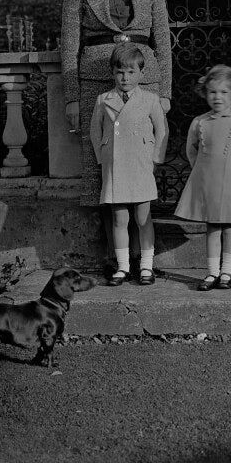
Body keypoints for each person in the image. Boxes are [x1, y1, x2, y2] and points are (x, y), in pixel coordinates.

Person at [61, 0, 172, 274]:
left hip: (144, 79)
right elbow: (69, 45)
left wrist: (165, 91)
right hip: (96, 79)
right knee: (103, 172)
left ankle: (146, 260)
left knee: (142, 166)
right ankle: (116, 259)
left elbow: (163, 40)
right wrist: (73, 97)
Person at [174, 65, 231, 291]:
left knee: (230, 226)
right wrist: (204, 172)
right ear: (205, 94)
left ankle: (227, 272)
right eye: (213, 92)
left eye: (224, 92)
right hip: (209, 184)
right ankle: (212, 273)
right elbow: (192, 151)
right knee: (212, 227)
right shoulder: (200, 122)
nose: (218, 97)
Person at [89, 44, 168, 286]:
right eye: (120, 72)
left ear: (141, 74)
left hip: (140, 164)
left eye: (131, 72)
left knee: (143, 218)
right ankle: (123, 267)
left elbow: (162, 129)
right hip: (115, 166)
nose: (125, 77)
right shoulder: (104, 99)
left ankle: (146, 266)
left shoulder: (150, 100)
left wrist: (155, 159)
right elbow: (95, 131)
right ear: (112, 73)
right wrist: (103, 158)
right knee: (119, 219)